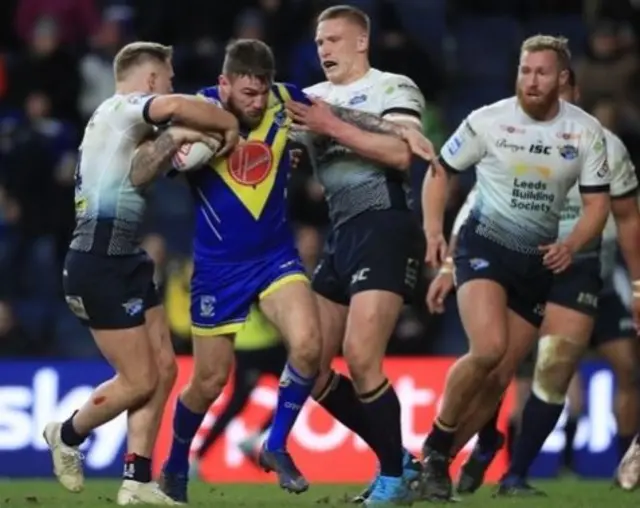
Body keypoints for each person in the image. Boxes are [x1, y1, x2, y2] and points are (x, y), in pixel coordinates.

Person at [44, 41, 239, 505]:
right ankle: (66, 434)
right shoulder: (121, 108)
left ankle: (137, 481)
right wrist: (225, 123)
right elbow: (173, 107)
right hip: (97, 262)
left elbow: (142, 173)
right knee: (137, 380)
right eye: (167, 78)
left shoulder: (122, 131)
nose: (169, 87)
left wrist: (186, 141)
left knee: (166, 369)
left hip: (125, 258)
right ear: (150, 79)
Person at [419, 35, 612, 501]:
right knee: (488, 349)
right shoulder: (488, 120)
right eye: (525, 70)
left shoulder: (586, 132)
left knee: (502, 373)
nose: (531, 79)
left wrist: (574, 243)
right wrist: (433, 233)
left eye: (542, 72)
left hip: (538, 263)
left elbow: (597, 204)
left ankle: (474, 447)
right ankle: (436, 445)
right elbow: (440, 170)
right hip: (485, 245)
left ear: (563, 78)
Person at [157, 39, 323, 501]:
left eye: (261, 92)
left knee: (309, 346)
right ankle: (174, 465)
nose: (256, 101)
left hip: (275, 257)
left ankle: (275, 444)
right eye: (246, 93)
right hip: (218, 268)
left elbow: (333, 116)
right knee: (209, 382)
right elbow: (163, 162)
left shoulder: (285, 100)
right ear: (224, 83)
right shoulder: (197, 110)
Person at [284, 5, 436, 505]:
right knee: (312, 364)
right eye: (319, 41)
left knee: (361, 356)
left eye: (333, 39)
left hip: (385, 224)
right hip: (341, 233)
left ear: (361, 42)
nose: (323, 48)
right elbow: (294, 151)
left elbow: (399, 154)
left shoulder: (393, 87)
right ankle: (401, 463)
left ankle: (392, 481)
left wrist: (330, 126)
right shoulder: (313, 99)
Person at [190, 305, 287, 475]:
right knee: (296, 391)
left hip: (250, 345)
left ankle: (198, 458)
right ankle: (253, 438)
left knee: (236, 405)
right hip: (262, 346)